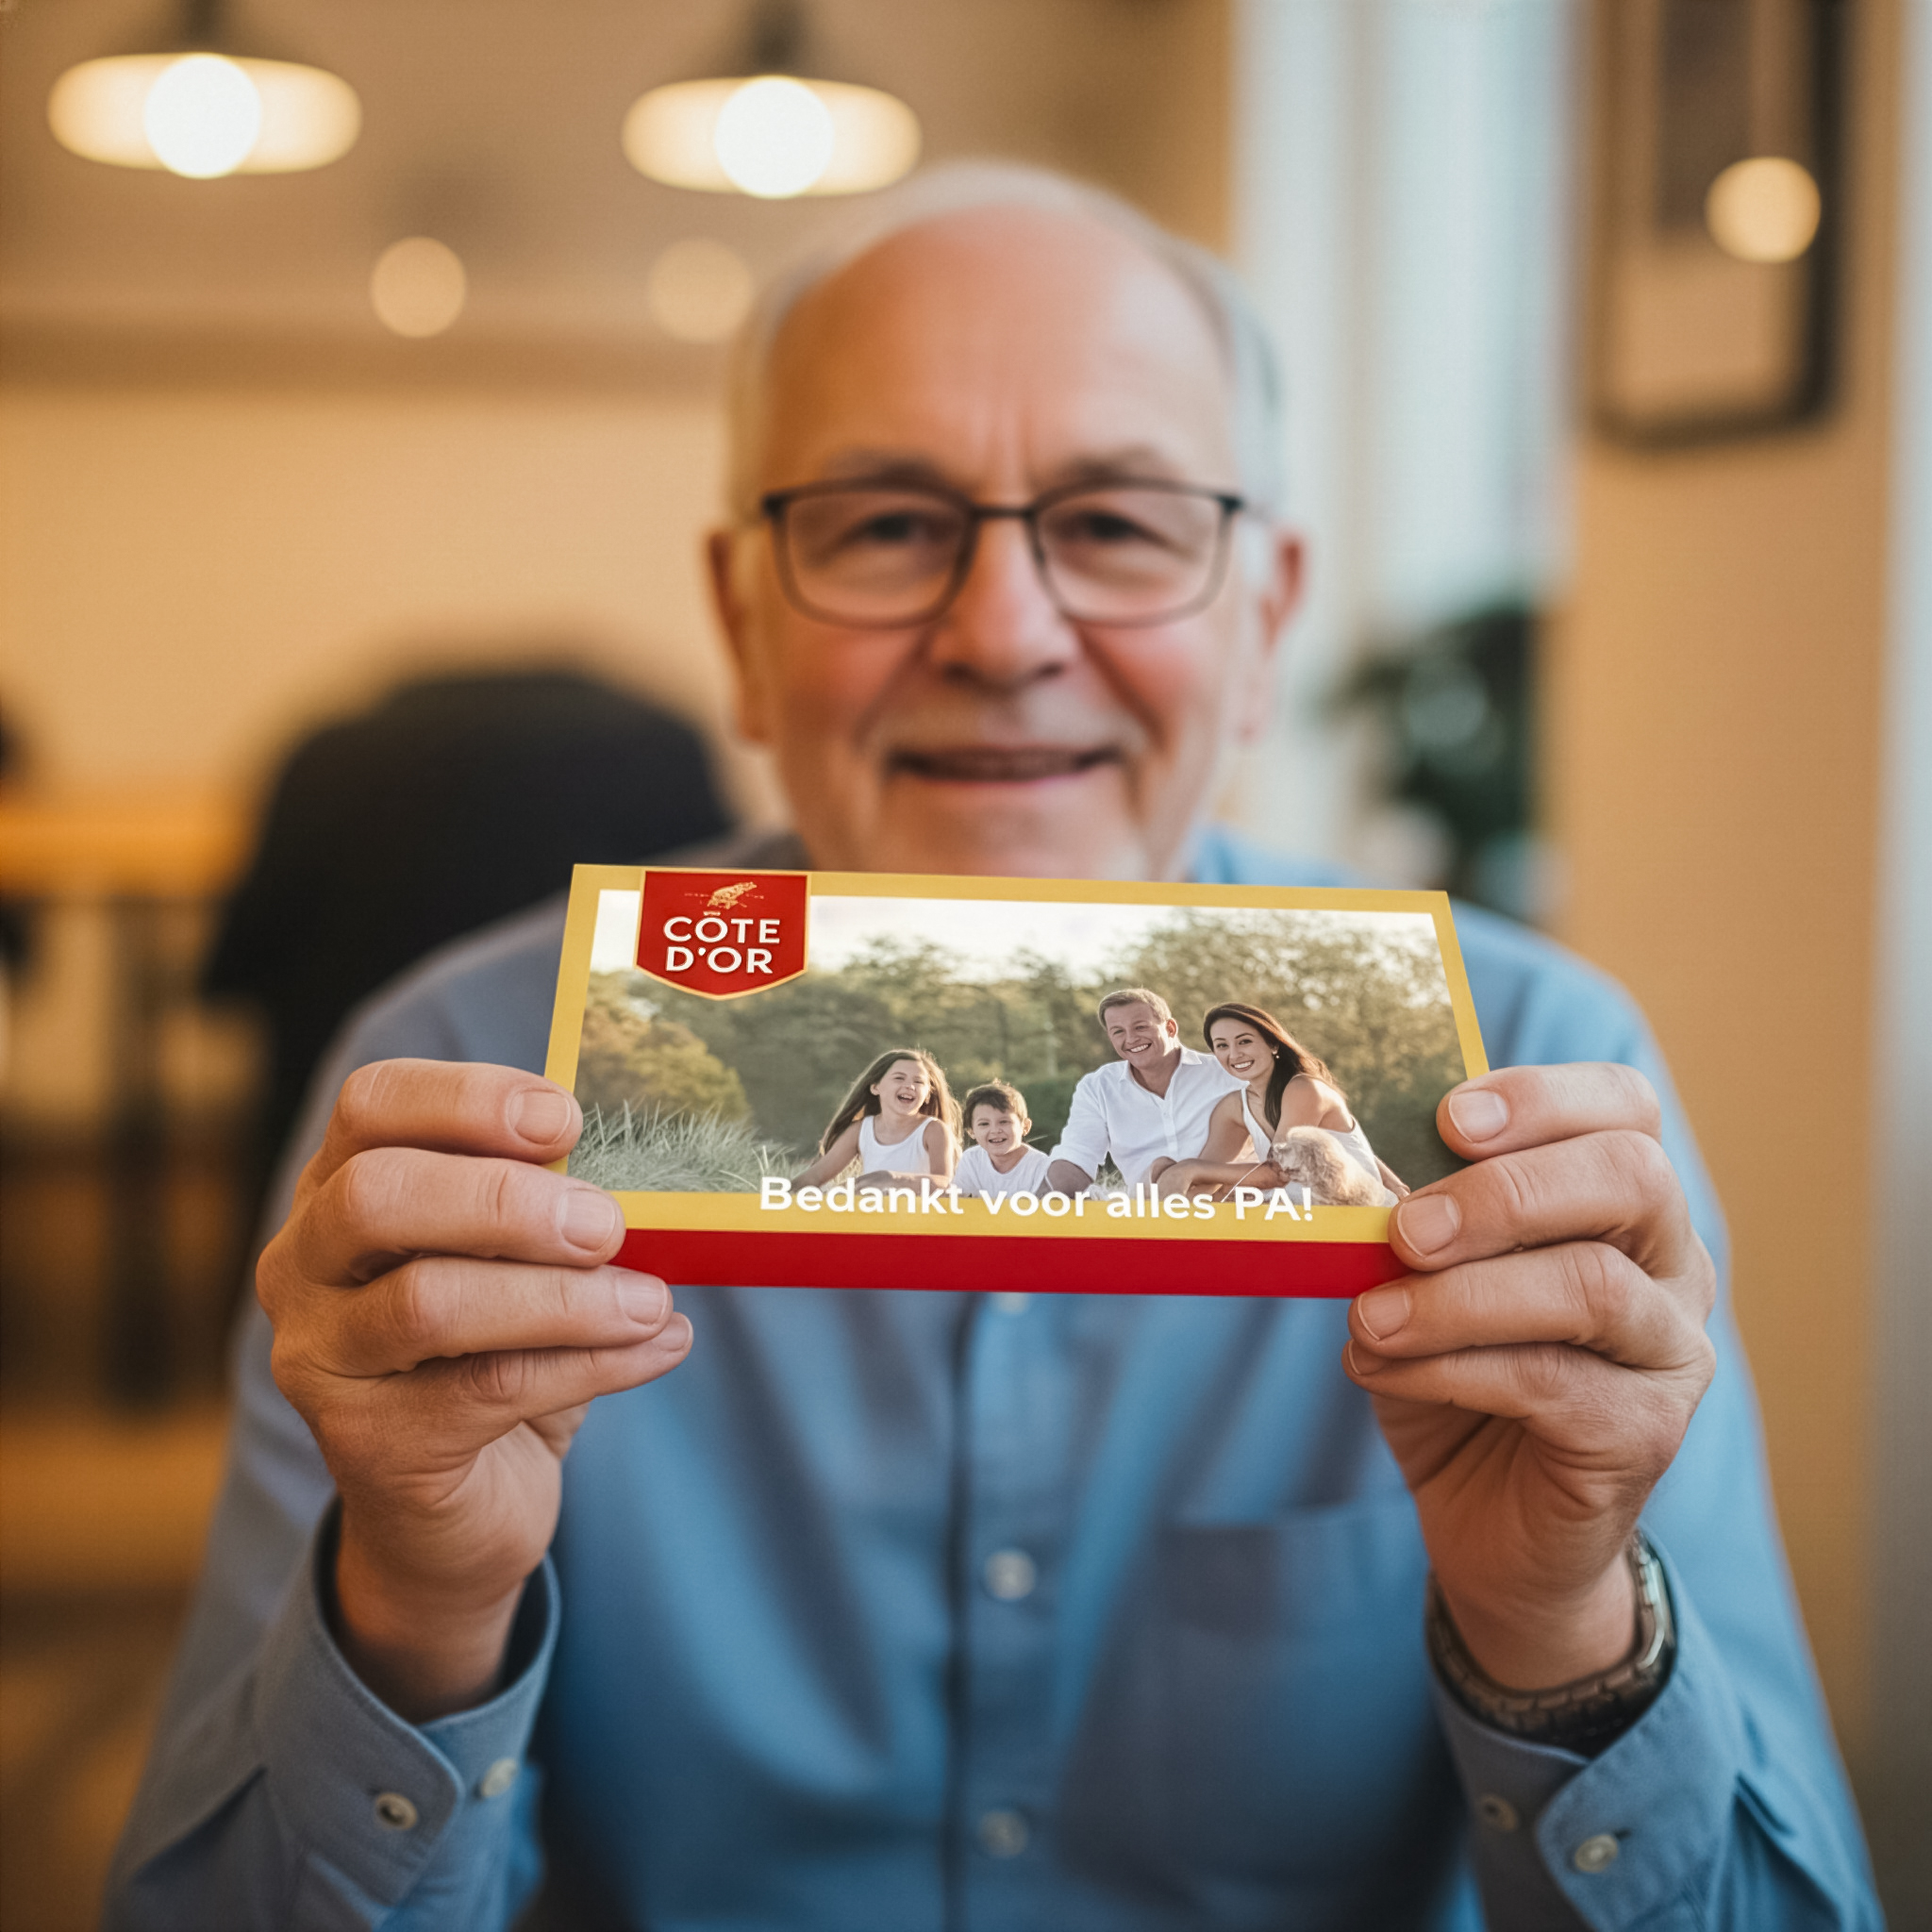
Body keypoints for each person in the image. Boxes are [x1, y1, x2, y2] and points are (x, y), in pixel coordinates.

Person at [107, 164, 1879, 1930]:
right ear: (741, 624)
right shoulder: (460, 1097)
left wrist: (1563, 1637)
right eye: (883, 524)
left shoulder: (1523, 1093)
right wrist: (414, 1612)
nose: (1006, 631)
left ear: (1260, 621)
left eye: (1116, 523)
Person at [1152, 1001, 1407, 1204]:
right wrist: (1173, 1178)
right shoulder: (1233, 1108)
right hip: (1295, 1215)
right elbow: (1208, 1177)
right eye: (1222, 1046)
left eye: (1245, 1041)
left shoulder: (1303, 1089)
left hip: (1357, 1214)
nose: (1234, 1054)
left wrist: (1189, 1170)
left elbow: (1279, 1172)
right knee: (1183, 1179)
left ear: (1272, 1042)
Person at [1044, 987, 1242, 1192]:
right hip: (1150, 1213)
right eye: (1118, 1031)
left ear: (1171, 1028)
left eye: (1140, 1027)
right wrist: (1042, 1200)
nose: (1130, 1039)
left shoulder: (1227, 1073)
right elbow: (1077, 1154)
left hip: (1233, 1206)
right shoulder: (1098, 1087)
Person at [793, 1047, 958, 1188]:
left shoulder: (934, 1130)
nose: (909, 1085)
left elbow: (944, 1182)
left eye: (919, 1081)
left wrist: (889, 1178)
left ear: (928, 1095)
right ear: (875, 1087)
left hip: (921, 1222)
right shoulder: (860, 1130)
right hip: (874, 1221)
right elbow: (815, 1177)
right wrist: (774, 1199)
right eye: (899, 1078)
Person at [952, 1079, 1053, 1198]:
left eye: (1004, 1122)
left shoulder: (1041, 1167)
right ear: (971, 1131)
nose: (995, 1130)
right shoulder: (970, 1160)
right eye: (984, 1124)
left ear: (1025, 1127)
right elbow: (961, 1205)